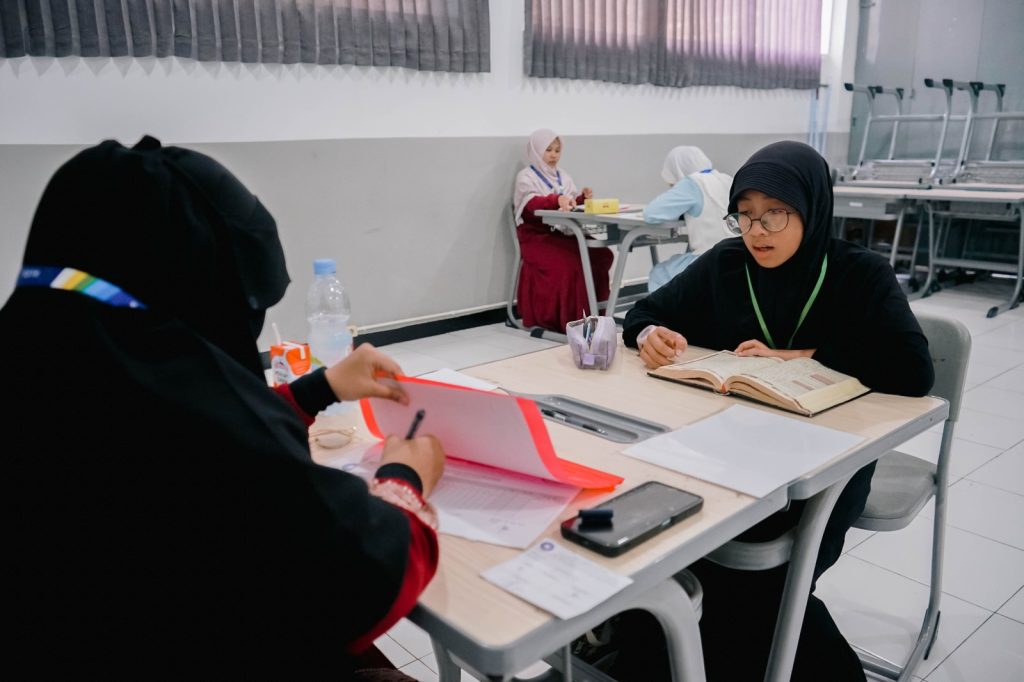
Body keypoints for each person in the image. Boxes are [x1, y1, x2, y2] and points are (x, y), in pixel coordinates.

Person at [2, 137, 446, 678]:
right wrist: (405, 479)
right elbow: (357, 577)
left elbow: (204, 429)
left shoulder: (54, 351)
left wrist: (317, 389)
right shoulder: (186, 423)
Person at [622, 141, 934, 681]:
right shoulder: (726, 263)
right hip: (726, 453)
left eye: (774, 214)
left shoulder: (859, 274)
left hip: (828, 466)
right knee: (662, 549)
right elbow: (645, 311)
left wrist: (806, 355)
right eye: (744, 215)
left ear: (811, 210)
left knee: (762, 579)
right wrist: (650, 333)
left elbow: (913, 370)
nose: (756, 231)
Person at [513, 128, 614, 331]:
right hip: (536, 237)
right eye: (548, 150)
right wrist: (555, 200)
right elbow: (531, 206)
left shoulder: (563, 176)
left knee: (601, 254)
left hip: (562, 234)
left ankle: (597, 314)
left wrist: (581, 199)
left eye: (557, 150)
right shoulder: (526, 177)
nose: (553, 155)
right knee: (572, 263)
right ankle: (571, 321)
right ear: (536, 151)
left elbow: (570, 203)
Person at [642, 146, 733, 292]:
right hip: (738, 256)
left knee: (659, 273)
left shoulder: (691, 183)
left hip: (710, 259)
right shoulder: (726, 178)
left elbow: (651, 214)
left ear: (676, 170)